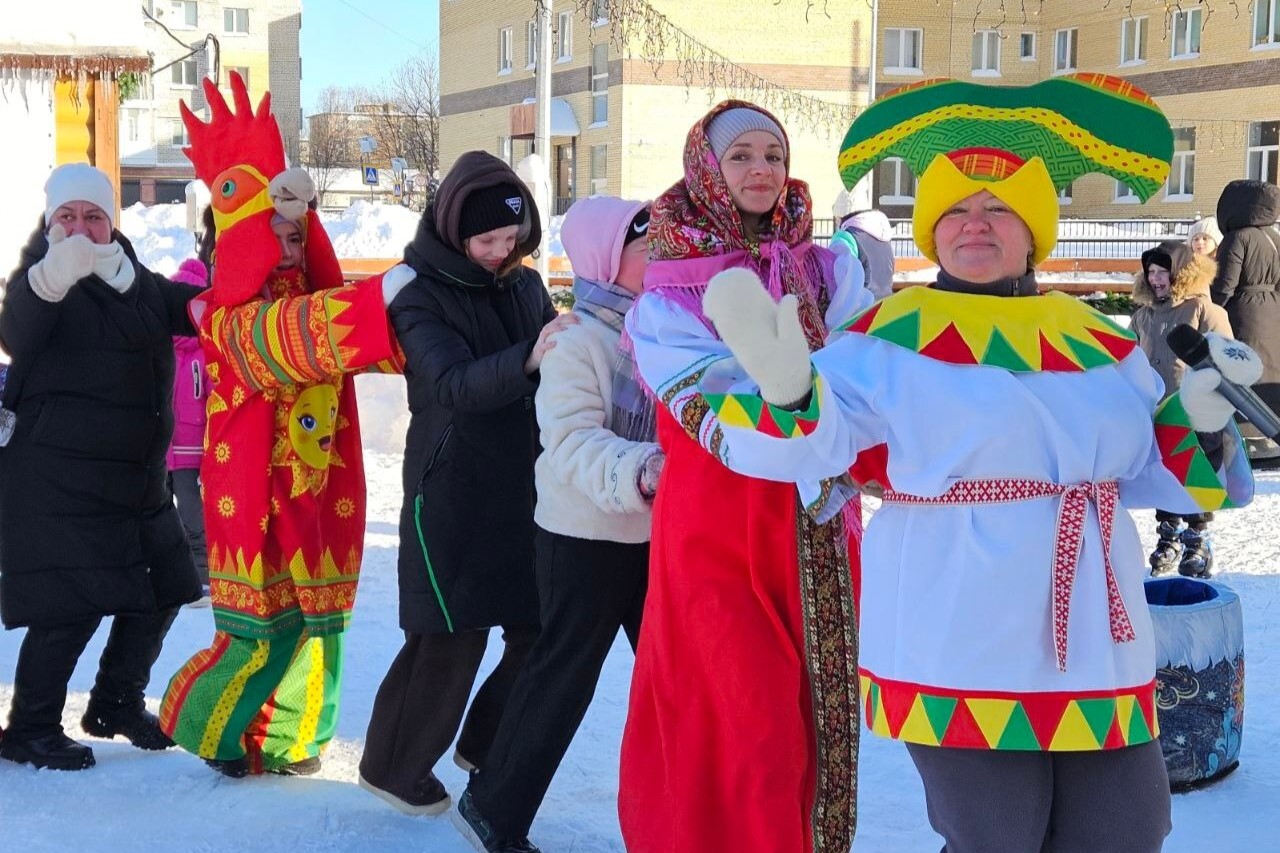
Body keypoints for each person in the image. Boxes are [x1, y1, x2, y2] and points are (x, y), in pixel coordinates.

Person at [689, 75, 1256, 853]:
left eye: (998, 209)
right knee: (998, 834)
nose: (975, 223)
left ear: (1033, 231)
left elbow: (1154, 468)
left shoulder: (1102, 339)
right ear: (929, 230)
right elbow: (813, 448)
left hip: (1094, 628)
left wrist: (1204, 417)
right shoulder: (886, 337)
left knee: (1125, 827)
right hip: (960, 620)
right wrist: (791, 392)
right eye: (954, 208)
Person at [619, 101, 868, 853]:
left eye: (773, 155)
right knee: (741, 716)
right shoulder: (672, 287)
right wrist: (788, 400)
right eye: (741, 157)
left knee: (808, 713)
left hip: (815, 528)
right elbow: (702, 405)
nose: (761, 171)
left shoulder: (820, 266)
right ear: (705, 168)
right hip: (719, 531)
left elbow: (868, 367)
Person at [159, 73, 406, 777]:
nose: (289, 242)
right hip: (254, 499)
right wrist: (388, 298)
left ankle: (289, 739)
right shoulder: (226, 314)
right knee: (260, 631)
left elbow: (380, 341)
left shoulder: (320, 291)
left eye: (297, 231)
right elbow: (295, 336)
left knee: (321, 628)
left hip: (324, 486)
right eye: (274, 229)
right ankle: (207, 727)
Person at [359, 151, 574, 817]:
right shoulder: (415, 291)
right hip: (452, 487)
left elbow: (551, 363)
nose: (500, 252)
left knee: (541, 628)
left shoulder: (523, 281)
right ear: (456, 232)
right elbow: (451, 384)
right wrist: (532, 356)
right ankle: (392, 765)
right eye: (488, 241)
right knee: (452, 633)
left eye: (512, 240)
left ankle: (486, 740)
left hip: (526, 481)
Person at [456, 197, 659, 853]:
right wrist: (647, 469)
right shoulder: (578, 341)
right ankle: (491, 806)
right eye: (646, 240)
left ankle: (687, 814)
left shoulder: (665, 331)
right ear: (608, 254)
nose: (663, 249)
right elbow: (570, 443)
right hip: (584, 538)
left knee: (675, 674)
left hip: (653, 536)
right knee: (562, 680)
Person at [0, 163, 203, 771]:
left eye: (94, 216)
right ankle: (31, 729)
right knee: (73, 602)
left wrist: (237, 300)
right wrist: (48, 280)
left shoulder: (131, 275)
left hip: (133, 474)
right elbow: (17, 332)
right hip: (61, 476)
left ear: (111, 221)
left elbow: (187, 308)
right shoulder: (43, 279)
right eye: (69, 216)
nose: (82, 228)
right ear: (50, 220)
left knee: (166, 584)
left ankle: (115, 700)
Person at [1130, 240, 1232, 578]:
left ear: (1182, 274)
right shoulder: (1143, 316)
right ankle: (1169, 532)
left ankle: (1197, 536)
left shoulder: (1203, 310)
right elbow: (1128, 355)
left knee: (1196, 471)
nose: (1157, 279)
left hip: (1196, 411)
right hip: (1158, 410)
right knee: (1164, 471)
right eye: (1152, 273)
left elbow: (1225, 354)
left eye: (1164, 272)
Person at [1210, 179, 1280, 462]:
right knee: (1271, 372)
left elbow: (1226, 284)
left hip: (1244, 313)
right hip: (1273, 312)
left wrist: (1211, 308)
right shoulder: (1274, 236)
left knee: (1244, 373)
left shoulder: (1238, 237)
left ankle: (1249, 438)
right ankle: (1272, 435)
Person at [166, 257, 212, 601]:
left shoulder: (206, 354)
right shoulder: (161, 349)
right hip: (161, 449)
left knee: (193, 514)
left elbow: (215, 401)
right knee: (160, 512)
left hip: (192, 450)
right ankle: (167, 570)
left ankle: (202, 574)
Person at [834, 208, 895, 300]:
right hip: (886, 305)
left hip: (861, 309)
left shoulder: (845, 236)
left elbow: (840, 278)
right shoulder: (884, 237)